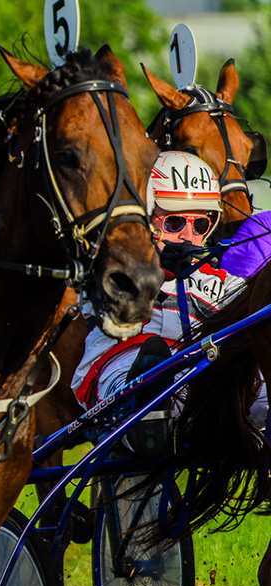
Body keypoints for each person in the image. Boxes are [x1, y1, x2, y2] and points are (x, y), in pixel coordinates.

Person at [72, 151, 245, 412]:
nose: (188, 235)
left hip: (203, 378)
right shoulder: (113, 274)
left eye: (200, 224)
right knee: (150, 378)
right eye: (174, 222)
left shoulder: (226, 284)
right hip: (120, 367)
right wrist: (159, 268)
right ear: (144, 219)